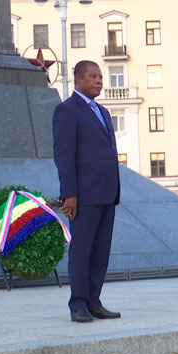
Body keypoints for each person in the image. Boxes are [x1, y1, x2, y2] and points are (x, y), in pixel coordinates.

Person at [53, 60, 122, 323]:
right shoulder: (67, 110)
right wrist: (69, 193)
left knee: (100, 252)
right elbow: (64, 155)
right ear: (78, 79)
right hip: (84, 195)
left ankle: (94, 301)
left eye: (100, 76)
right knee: (81, 251)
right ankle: (78, 303)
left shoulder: (103, 112)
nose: (99, 81)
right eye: (93, 76)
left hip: (107, 193)